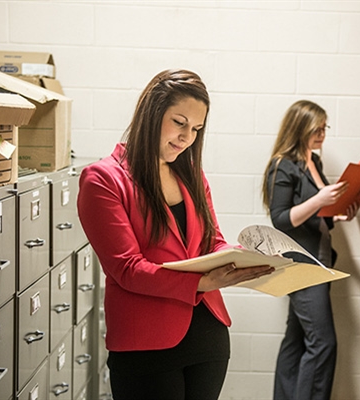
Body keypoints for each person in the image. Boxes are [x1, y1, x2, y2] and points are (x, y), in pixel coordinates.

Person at [77, 69, 274, 400]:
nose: (187, 137)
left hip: (208, 337)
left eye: (196, 128)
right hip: (146, 344)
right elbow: (127, 268)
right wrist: (201, 282)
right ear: (152, 115)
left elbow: (211, 241)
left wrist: (244, 257)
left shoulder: (191, 175)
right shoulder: (103, 180)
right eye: (179, 122)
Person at [261, 100, 360, 400]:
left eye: (324, 127)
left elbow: (315, 217)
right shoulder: (283, 165)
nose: (322, 134)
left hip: (319, 261)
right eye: (316, 128)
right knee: (323, 343)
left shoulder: (313, 163)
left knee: (297, 340)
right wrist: (320, 201)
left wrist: (338, 213)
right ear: (299, 128)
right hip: (300, 266)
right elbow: (281, 219)